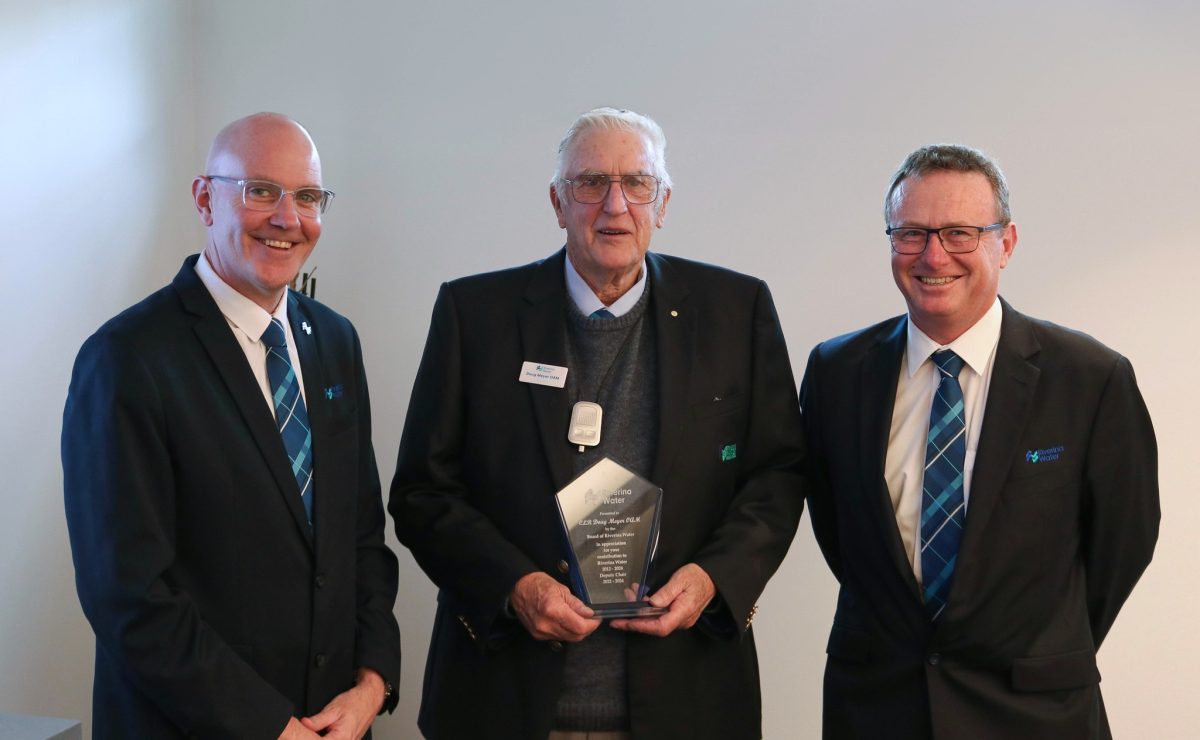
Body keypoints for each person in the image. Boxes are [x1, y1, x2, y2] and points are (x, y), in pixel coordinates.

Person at [390, 107, 806, 739]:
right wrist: (515, 587)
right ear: (558, 203)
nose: (615, 205)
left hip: (684, 702)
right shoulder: (475, 315)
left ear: (662, 203)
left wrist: (713, 579)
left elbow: (776, 474)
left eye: (637, 184)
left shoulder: (735, 311)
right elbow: (423, 491)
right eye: (590, 183)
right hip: (505, 700)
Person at [800, 144, 1159, 738]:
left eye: (961, 233)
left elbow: (1124, 541)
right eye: (911, 232)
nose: (933, 255)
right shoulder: (837, 371)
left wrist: (1045, 642)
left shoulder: (1090, 377)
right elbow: (839, 532)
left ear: (1006, 243)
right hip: (878, 708)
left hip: (1034, 711)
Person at [62, 113, 401, 740]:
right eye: (260, 191)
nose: (287, 218)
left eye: (307, 197)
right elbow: (129, 596)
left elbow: (360, 537)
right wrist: (271, 727)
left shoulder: (333, 340)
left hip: (335, 721)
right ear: (203, 198)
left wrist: (371, 685)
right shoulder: (127, 358)